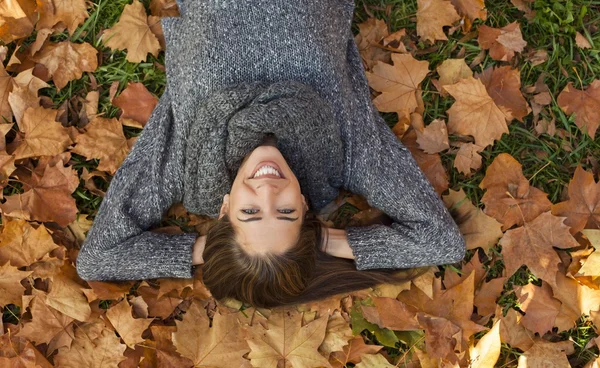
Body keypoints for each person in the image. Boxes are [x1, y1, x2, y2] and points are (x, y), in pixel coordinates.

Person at [76, 0, 466, 308]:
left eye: (249, 213)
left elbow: (99, 259)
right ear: (304, 205)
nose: (268, 190)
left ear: (224, 209)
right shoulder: (345, 151)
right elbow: (440, 242)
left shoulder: (186, 159)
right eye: (285, 212)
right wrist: (323, 243)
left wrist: (206, 252)